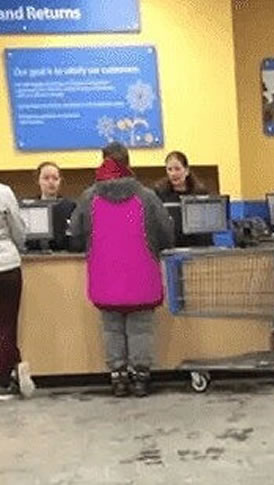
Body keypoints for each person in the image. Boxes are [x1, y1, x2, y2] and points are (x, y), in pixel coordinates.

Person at [70, 142, 174, 398]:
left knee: (112, 328)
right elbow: (166, 233)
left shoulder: (89, 197)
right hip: (143, 274)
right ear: (128, 163)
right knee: (141, 329)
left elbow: (76, 234)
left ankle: (118, 377)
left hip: (104, 276)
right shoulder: (147, 196)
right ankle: (140, 378)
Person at [0, 182, 35, 399]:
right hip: (7, 265)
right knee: (7, 324)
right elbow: (18, 229)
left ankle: (13, 369)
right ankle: (5, 377)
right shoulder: (4, 192)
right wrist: (20, 246)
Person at [154, 151, 212, 247]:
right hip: (171, 246)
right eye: (169, 169)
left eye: (177, 169)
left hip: (197, 246)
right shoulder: (159, 192)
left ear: (187, 170)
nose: (173, 173)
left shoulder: (200, 192)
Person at [26, 161, 76, 252]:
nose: (51, 182)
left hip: (63, 256)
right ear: (38, 180)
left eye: (55, 178)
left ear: (60, 180)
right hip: (34, 255)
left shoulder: (70, 206)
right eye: (46, 178)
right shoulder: (30, 207)